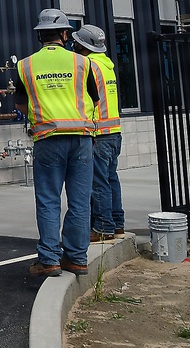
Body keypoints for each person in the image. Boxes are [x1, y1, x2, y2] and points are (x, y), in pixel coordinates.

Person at [15, 9, 99, 277]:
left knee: (48, 200)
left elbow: (21, 104)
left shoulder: (25, 66)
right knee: (80, 201)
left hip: (48, 139)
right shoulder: (82, 63)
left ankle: (50, 259)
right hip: (81, 139)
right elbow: (95, 99)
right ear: (64, 34)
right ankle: (77, 258)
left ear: (40, 35)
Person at [72, 24, 124, 242]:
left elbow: (84, 99)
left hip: (98, 133)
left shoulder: (89, 66)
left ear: (84, 45)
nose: (73, 45)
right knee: (111, 179)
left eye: (76, 42)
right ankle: (117, 224)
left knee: (98, 183)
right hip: (114, 132)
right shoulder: (107, 65)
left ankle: (103, 227)